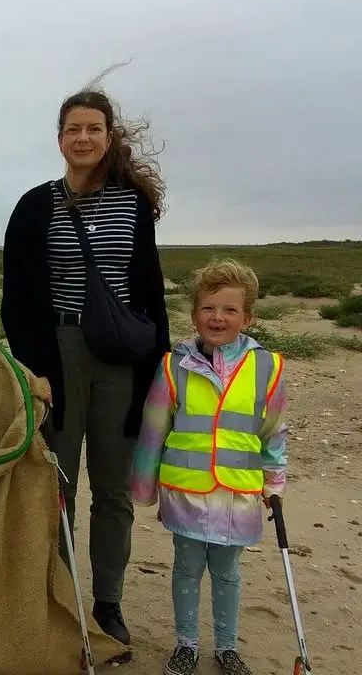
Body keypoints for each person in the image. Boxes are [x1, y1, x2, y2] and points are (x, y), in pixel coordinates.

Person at [0, 86, 171, 645]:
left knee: (113, 491)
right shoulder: (35, 206)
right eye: (73, 129)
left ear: (108, 136)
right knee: (58, 485)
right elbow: (17, 301)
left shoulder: (132, 205)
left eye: (93, 128)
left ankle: (107, 602)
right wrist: (35, 371)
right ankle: (62, 596)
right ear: (59, 139)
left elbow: (149, 293)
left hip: (121, 358)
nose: (83, 138)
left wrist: (155, 376)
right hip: (59, 353)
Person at [130, 259, 289, 675]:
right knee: (186, 568)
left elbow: (274, 431)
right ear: (194, 313)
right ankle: (186, 643)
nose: (218, 317)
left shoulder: (267, 368)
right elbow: (153, 428)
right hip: (186, 489)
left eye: (230, 310)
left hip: (238, 491)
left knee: (227, 571)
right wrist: (143, 486)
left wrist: (274, 482)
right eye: (208, 308)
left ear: (247, 317)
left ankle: (227, 647)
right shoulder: (173, 365)